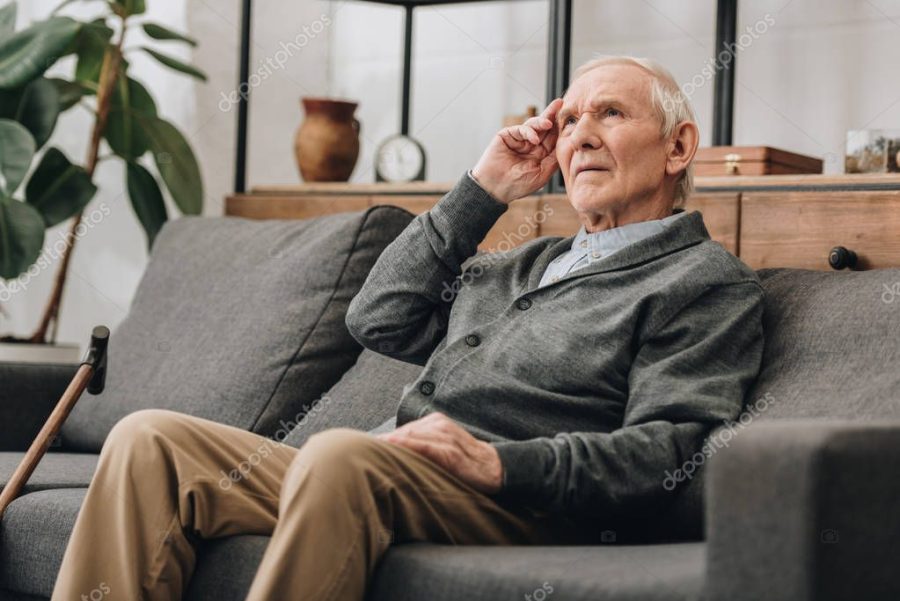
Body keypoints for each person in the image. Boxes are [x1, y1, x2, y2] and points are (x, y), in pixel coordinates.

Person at [51, 55, 764, 601]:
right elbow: (378, 316)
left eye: (609, 114)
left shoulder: (700, 283)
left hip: (519, 501)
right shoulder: (521, 265)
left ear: (677, 148)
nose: (580, 137)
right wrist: (483, 189)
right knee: (151, 439)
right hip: (391, 470)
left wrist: (498, 463)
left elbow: (668, 451)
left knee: (340, 456)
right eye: (569, 119)